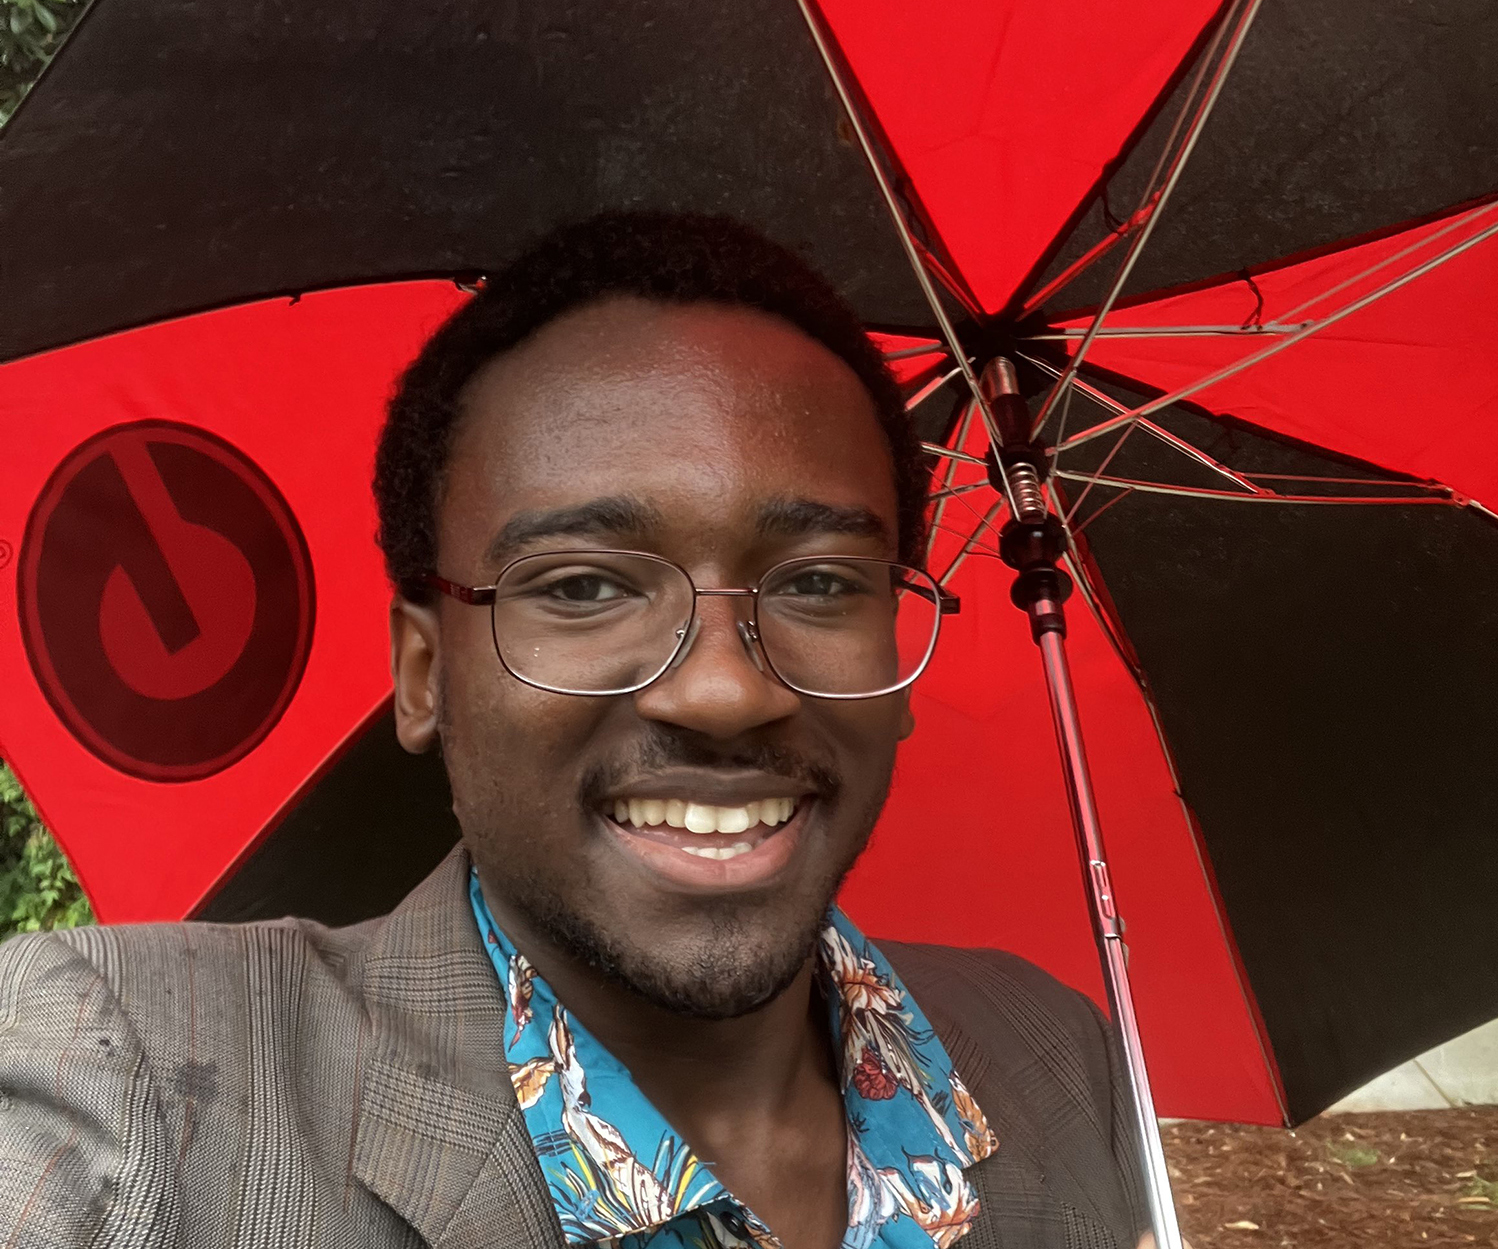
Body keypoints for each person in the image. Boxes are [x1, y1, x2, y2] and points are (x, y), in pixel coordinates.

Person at [0, 213, 1148, 1248]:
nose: (723, 693)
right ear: (422, 674)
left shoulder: (1053, 1047)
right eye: (586, 586)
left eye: (816, 583)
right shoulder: (127, 1086)